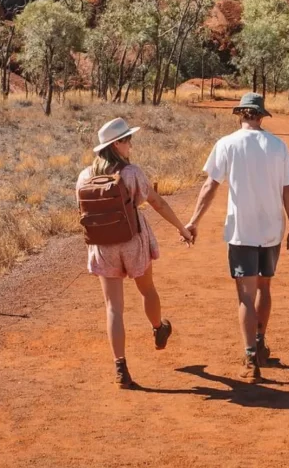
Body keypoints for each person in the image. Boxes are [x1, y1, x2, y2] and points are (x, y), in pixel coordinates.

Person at [186, 92, 289, 382]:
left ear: (240, 114)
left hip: (241, 231)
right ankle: (260, 343)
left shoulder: (226, 144)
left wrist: (194, 221)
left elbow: (210, 185)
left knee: (245, 296)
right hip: (272, 229)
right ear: (261, 116)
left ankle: (251, 358)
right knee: (265, 286)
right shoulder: (277, 146)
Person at [76, 117, 194, 389]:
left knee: (113, 308)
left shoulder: (84, 176)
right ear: (116, 144)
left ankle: (121, 368)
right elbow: (157, 203)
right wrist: (182, 229)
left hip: (103, 245)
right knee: (147, 289)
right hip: (132, 241)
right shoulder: (131, 173)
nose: (131, 144)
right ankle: (158, 327)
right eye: (128, 139)